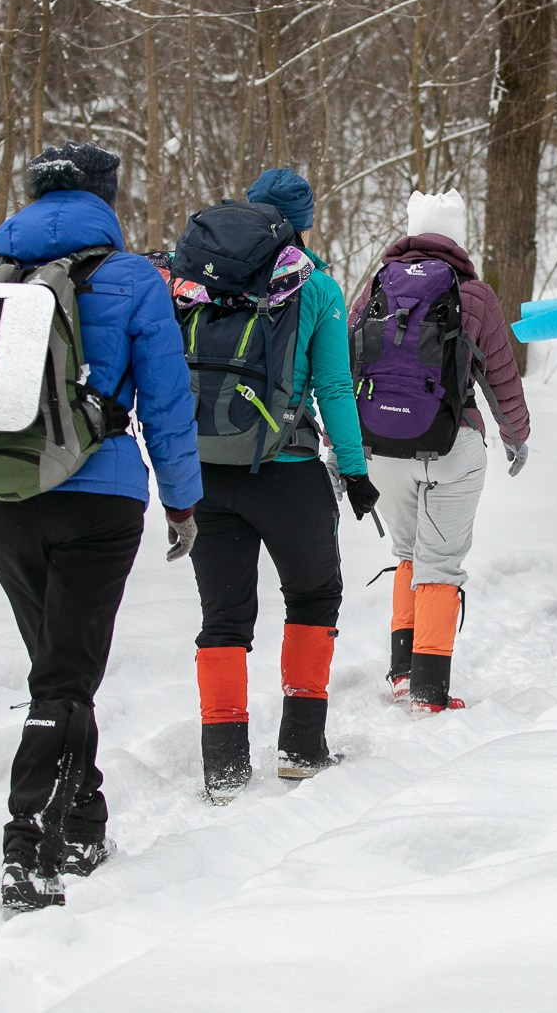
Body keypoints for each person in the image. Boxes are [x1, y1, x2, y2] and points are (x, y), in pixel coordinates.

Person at [0, 142, 202, 914]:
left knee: (60, 666)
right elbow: (169, 406)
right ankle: (28, 847)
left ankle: (81, 822)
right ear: (105, 196)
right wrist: (182, 502)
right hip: (98, 501)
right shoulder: (135, 277)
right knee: (66, 675)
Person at [186, 167, 380, 800]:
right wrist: (353, 472)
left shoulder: (197, 279)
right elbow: (333, 390)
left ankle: (224, 767)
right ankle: (300, 746)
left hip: (207, 474)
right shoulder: (316, 288)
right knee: (315, 595)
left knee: (222, 619)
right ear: (305, 220)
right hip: (288, 474)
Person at [349, 190, 531, 714]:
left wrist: (345, 446)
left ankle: (403, 675)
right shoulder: (474, 295)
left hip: (381, 448)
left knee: (408, 554)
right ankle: (430, 689)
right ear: (456, 235)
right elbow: (502, 377)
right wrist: (516, 435)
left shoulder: (377, 285)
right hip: (452, 446)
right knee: (441, 563)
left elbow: (348, 363)